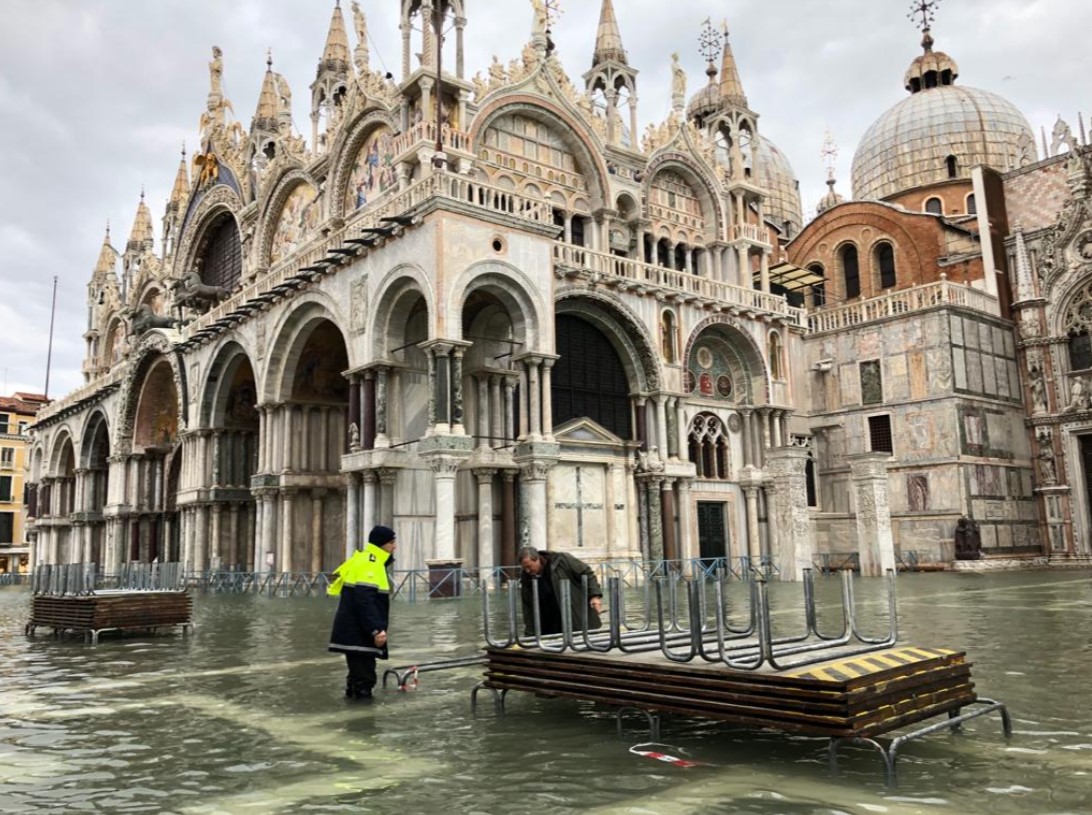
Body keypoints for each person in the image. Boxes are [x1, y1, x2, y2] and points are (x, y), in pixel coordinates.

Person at [328, 525, 397, 700]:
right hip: (359, 632)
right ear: (381, 544)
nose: (394, 546)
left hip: (354, 630)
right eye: (391, 542)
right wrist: (376, 629)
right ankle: (363, 722)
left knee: (356, 675)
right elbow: (365, 600)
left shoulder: (364, 559)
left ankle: (353, 715)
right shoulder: (371, 563)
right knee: (364, 678)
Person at [518, 545, 603, 637]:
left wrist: (595, 596)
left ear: (537, 559)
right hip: (548, 623)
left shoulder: (562, 560)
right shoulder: (526, 577)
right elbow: (528, 607)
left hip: (573, 614)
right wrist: (530, 633)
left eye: (529, 566)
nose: (527, 570)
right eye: (524, 568)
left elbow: (587, 573)